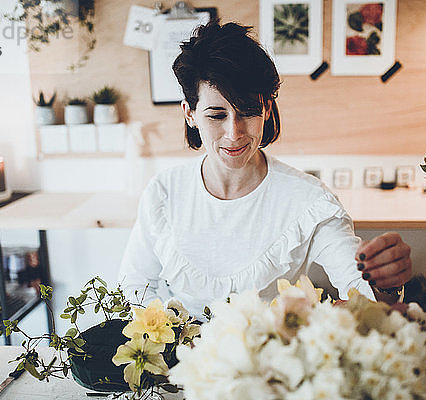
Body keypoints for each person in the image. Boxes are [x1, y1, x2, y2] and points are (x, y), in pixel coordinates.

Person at [118, 21, 411, 317]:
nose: (234, 133)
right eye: (217, 115)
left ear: (267, 110)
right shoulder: (164, 192)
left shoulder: (309, 201)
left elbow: (361, 292)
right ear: (190, 114)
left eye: (248, 112)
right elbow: (135, 285)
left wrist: (385, 282)